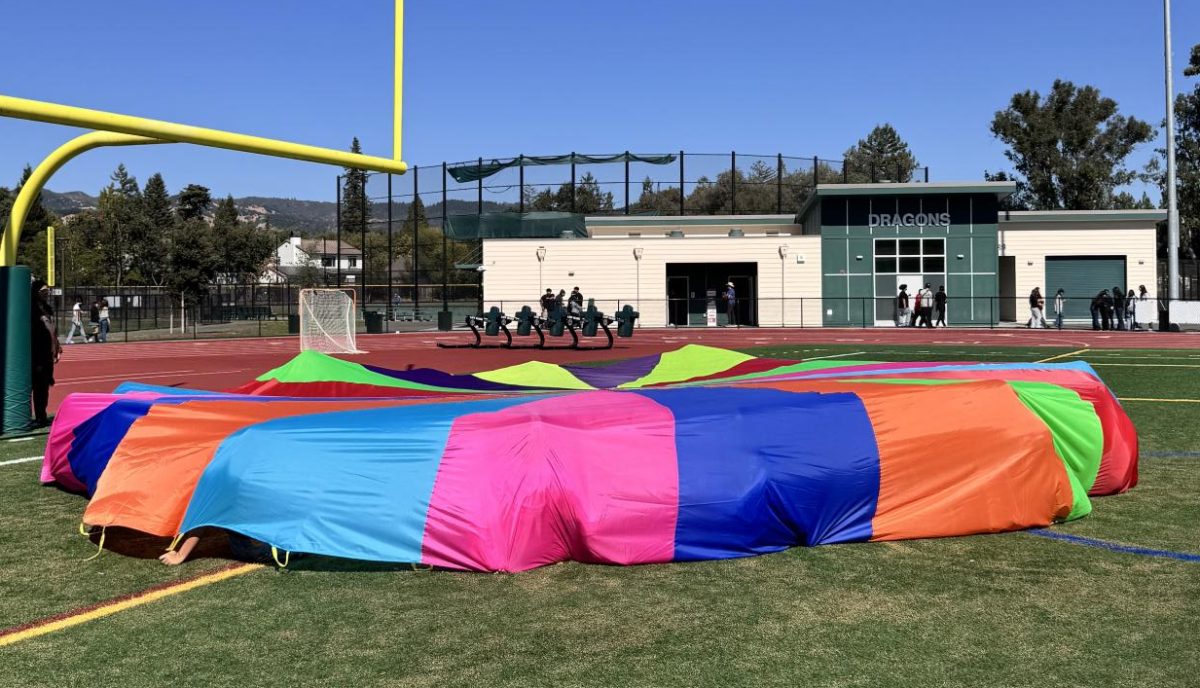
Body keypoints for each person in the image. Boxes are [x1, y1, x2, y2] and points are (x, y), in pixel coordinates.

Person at [30, 280, 62, 427]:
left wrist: (57, 348)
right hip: (37, 354)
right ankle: (35, 417)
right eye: (43, 291)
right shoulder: (31, 309)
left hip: (47, 354)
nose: (46, 293)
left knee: (43, 387)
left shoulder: (47, 309)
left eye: (47, 291)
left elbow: (52, 332)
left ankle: (41, 416)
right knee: (36, 386)